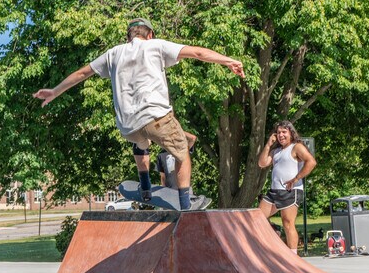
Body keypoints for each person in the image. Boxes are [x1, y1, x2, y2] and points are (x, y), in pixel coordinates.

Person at [33, 18, 245, 210]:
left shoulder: (113, 53)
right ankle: (185, 203)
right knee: (182, 151)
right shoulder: (156, 45)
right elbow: (198, 53)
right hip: (157, 119)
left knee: (142, 142)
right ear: (150, 34)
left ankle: (145, 187)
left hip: (127, 126)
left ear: (129, 36)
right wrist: (228, 61)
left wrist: (54, 91)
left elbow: (82, 73)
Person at [258, 121, 317, 255]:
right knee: (257, 218)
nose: (281, 135)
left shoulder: (297, 147)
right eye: (278, 132)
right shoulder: (276, 151)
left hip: (291, 191)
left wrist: (296, 178)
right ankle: (267, 248)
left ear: (291, 133)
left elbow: (312, 162)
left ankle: (293, 256)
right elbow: (262, 163)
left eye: (284, 132)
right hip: (274, 191)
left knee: (288, 223)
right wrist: (268, 144)